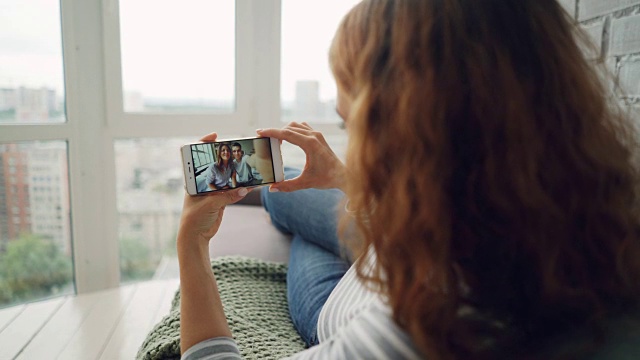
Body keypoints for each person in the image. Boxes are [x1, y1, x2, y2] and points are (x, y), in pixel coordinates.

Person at [177, 0, 640, 359]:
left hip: (345, 295)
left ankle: (259, 194)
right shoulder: (589, 223)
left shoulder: (418, 334)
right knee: (286, 197)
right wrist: (344, 177)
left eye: (353, 124)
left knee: (290, 211)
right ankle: (270, 192)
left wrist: (192, 245)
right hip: (401, 243)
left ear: (409, 139)